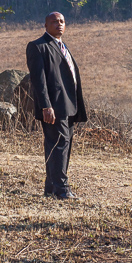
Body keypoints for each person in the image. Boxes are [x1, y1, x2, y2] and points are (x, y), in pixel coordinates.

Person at [26, 12, 87, 200]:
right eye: (54, 22)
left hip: (69, 106)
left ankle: (51, 187)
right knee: (59, 145)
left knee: (61, 146)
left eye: (61, 21)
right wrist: (46, 106)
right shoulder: (38, 47)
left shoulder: (62, 46)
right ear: (45, 25)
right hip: (53, 107)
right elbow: (39, 81)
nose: (59, 24)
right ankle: (62, 189)